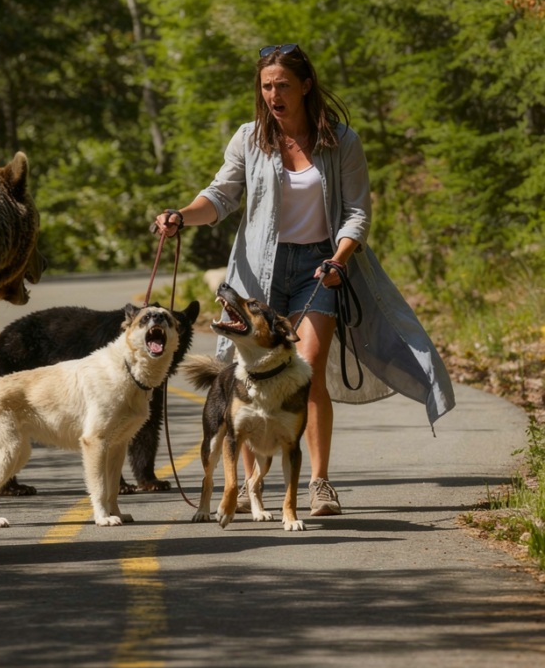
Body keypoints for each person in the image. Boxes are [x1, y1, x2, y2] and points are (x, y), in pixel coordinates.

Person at [154, 43, 454, 517]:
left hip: (320, 270)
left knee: (306, 370)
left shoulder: (342, 142)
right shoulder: (249, 139)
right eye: (267, 85)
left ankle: (318, 483)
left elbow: (356, 213)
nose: (274, 94)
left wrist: (339, 259)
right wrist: (181, 216)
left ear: (305, 85)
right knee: (249, 378)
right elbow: (220, 195)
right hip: (258, 271)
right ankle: (253, 490)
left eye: (283, 85)